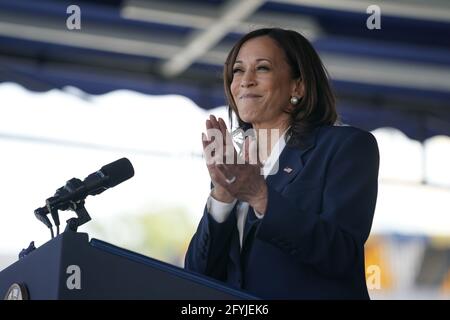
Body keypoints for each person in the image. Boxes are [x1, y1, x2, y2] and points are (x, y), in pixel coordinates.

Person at [184, 28, 379, 299]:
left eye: (262, 68)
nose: (245, 81)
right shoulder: (235, 168)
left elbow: (340, 253)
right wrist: (222, 196)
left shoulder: (347, 146)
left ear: (297, 86)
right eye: (238, 71)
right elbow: (197, 275)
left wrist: (260, 197)